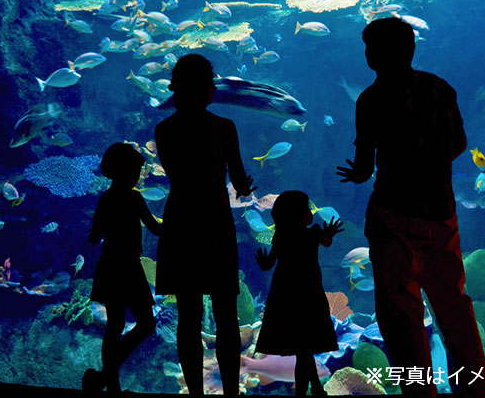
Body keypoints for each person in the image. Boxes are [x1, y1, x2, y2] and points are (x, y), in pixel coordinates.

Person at [337, 17, 485, 398]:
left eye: (371, 47)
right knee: (454, 305)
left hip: (393, 215)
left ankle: (419, 394)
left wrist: (358, 176)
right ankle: (476, 390)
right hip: (441, 212)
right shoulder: (440, 88)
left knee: (400, 314)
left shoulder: (371, 99)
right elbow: (458, 144)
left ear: (378, 53)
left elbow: (364, 166)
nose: (368, 54)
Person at [154, 54, 256, 395]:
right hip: (215, 222)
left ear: (176, 91)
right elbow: (239, 181)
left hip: (181, 220)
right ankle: (230, 394)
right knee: (227, 315)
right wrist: (244, 188)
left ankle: (196, 395)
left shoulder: (164, 130)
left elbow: (174, 174)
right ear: (209, 92)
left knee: (188, 315)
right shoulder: (224, 127)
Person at [83, 142, 163, 396]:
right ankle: (108, 379)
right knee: (146, 324)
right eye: (135, 171)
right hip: (127, 266)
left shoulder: (106, 198)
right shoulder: (133, 197)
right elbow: (154, 227)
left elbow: (94, 237)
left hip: (109, 265)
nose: (138, 177)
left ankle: (110, 383)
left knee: (115, 325)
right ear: (122, 171)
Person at [254, 190, 342, 396]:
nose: (311, 212)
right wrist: (328, 235)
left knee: (302, 347)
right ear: (299, 213)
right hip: (308, 293)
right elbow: (326, 242)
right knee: (305, 347)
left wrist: (263, 261)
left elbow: (269, 264)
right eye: (308, 208)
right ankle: (306, 392)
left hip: (284, 294)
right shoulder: (312, 233)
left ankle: (314, 389)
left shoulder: (281, 235)